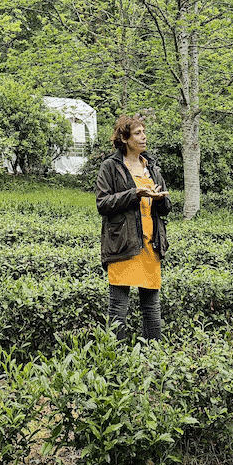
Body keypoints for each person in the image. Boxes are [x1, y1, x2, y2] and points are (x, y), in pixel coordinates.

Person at [95, 115, 171, 340]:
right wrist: (134, 193)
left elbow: (166, 208)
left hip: (150, 243)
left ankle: (153, 355)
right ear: (125, 138)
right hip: (123, 244)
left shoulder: (152, 168)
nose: (144, 137)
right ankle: (116, 358)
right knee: (118, 308)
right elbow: (102, 203)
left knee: (152, 308)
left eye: (144, 132)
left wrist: (159, 199)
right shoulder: (111, 167)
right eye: (138, 133)